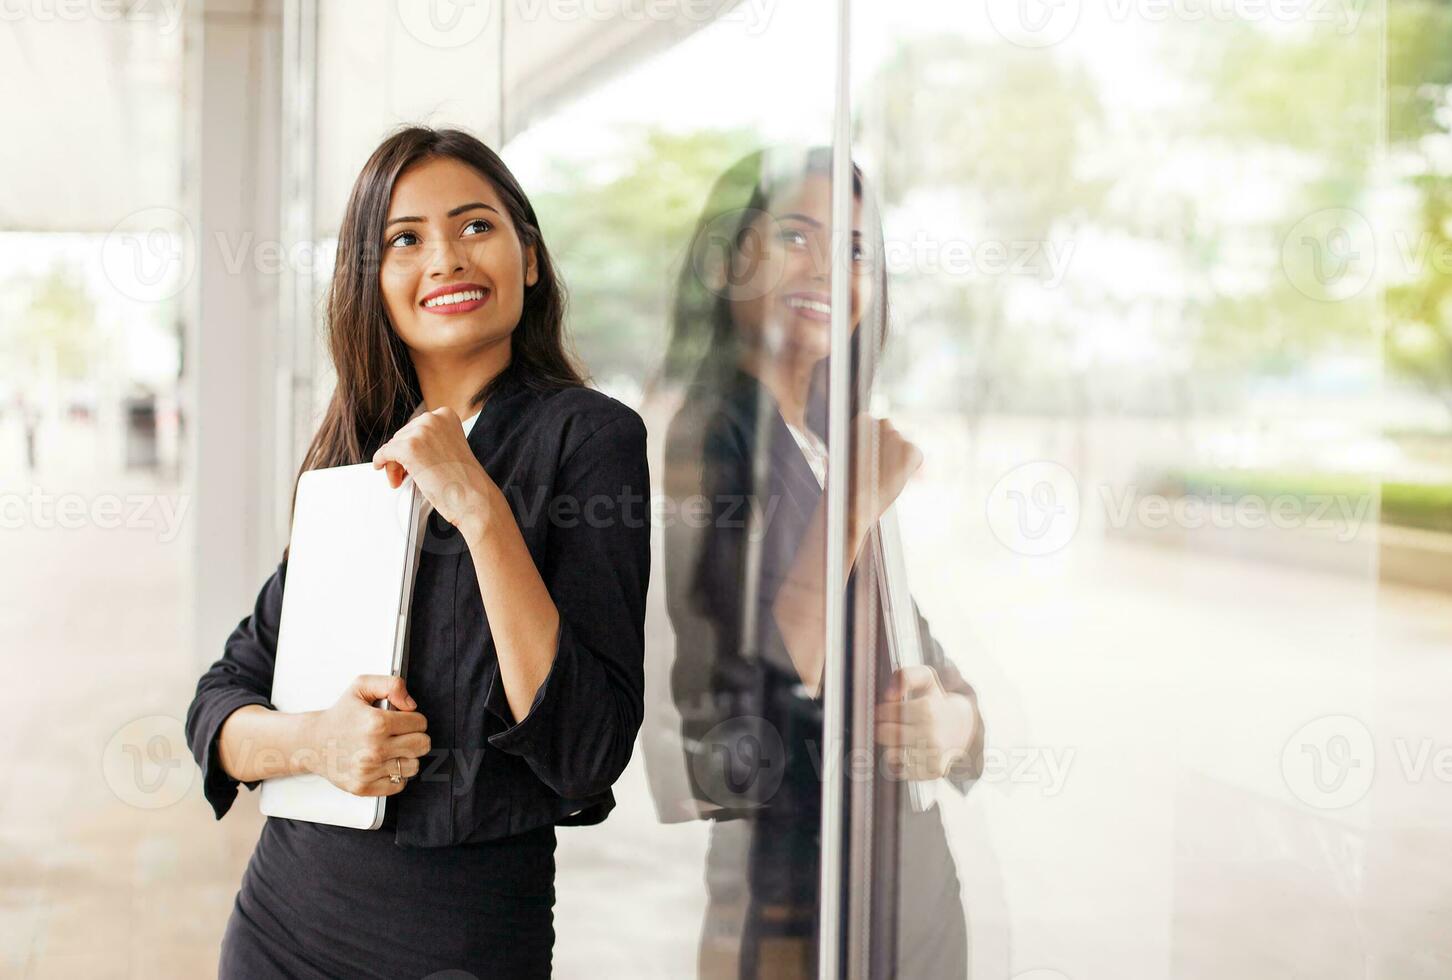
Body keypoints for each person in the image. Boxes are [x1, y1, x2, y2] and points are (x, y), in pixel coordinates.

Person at [184, 126, 651, 979]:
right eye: (405, 239)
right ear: (374, 282)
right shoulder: (355, 460)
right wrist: (318, 744)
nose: (446, 258)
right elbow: (219, 707)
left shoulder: (589, 439)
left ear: (530, 259)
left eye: (476, 226)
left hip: (460, 941)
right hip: (281, 924)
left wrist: (478, 507)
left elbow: (586, 751)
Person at [658, 147, 987, 978]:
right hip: (802, 907)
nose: (828, 270)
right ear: (732, 260)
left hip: (900, 891)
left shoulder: (828, 438)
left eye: (854, 251)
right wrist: (853, 506)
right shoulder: (707, 439)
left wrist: (953, 724)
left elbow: (915, 649)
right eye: (797, 238)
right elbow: (737, 725)